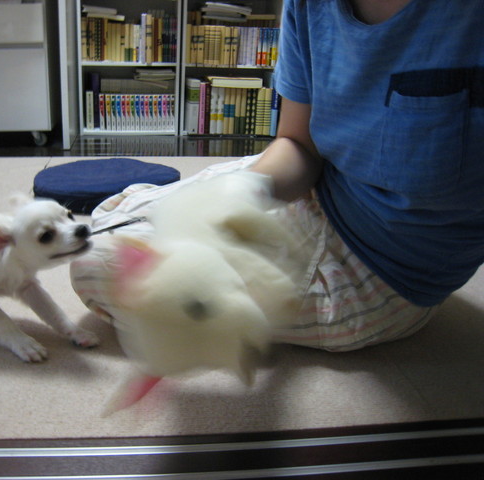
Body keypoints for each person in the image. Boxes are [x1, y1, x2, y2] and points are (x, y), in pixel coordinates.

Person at [71, 0, 484, 352]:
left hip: (384, 267)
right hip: (322, 190)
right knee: (118, 215)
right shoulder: (310, 6)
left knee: (95, 265)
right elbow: (299, 144)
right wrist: (242, 194)